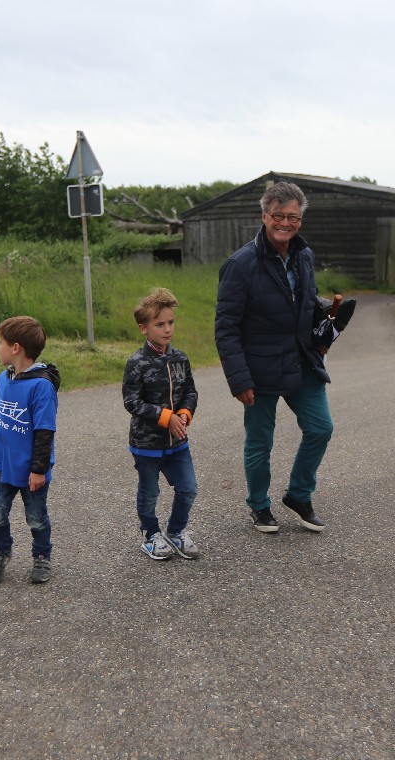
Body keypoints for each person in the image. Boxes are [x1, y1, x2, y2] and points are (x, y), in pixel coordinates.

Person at [215, 181, 334, 534]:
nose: (285, 222)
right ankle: (259, 505)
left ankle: (298, 495)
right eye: (278, 215)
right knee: (260, 442)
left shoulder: (304, 256)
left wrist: (322, 334)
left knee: (321, 428)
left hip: (301, 361)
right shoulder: (240, 264)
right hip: (259, 367)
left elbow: (308, 303)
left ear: (300, 219)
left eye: (292, 216)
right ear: (264, 216)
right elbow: (226, 327)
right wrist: (239, 379)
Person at [122, 287, 200, 560]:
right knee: (150, 493)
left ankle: (176, 531)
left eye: (171, 323)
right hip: (146, 444)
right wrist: (165, 417)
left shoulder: (180, 358)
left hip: (178, 442)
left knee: (188, 488)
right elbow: (131, 401)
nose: (167, 329)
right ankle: (151, 535)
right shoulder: (137, 362)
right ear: (144, 328)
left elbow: (190, 391)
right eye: (160, 324)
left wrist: (184, 413)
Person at [0, 316, 59, 585]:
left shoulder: (41, 387)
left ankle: (41, 556)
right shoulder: (3, 379)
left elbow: (45, 431)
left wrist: (39, 470)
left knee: (36, 519)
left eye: (1, 343)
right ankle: (2, 550)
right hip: (2, 463)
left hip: (31, 470)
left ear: (16, 348)